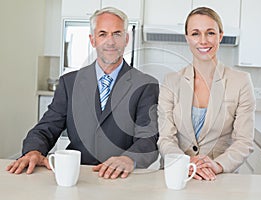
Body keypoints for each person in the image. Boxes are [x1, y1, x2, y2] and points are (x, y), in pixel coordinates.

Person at [6, 7, 159, 179]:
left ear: (126, 39)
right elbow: (47, 127)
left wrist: (129, 159)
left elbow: (148, 139)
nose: (110, 42)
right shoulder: (69, 83)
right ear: (92, 40)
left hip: (122, 178)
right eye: (102, 34)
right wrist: (34, 150)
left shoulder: (146, 85)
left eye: (117, 34)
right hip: (76, 174)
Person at [157, 7, 255, 181]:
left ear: (220, 36)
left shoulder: (241, 81)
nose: (203, 41)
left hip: (219, 178)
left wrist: (217, 165)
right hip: (177, 176)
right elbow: (165, 137)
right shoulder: (171, 81)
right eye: (195, 33)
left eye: (210, 33)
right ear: (187, 38)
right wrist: (184, 163)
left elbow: (243, 141)